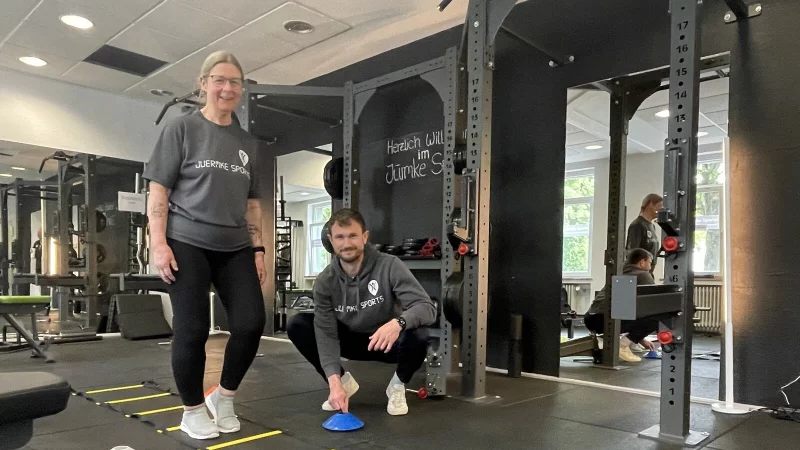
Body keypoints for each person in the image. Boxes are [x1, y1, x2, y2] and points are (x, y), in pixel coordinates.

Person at [142, 51, 267, 441]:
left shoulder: (248, 143)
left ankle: (224, 398)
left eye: (235, 82)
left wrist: (259, 250)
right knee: (193, 329)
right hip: (187, 241)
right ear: (204, 83)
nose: (227, 88)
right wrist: (158, 243)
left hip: (234, 246)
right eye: (220, 80)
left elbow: (252, 204)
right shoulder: (182, 129)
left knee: (250, 323)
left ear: (241, 89)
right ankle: (192, 410)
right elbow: (158, 190)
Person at [287, 208, 437, 416]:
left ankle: (397, 385)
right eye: (340, 237)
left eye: (353, 236)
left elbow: (428, 308)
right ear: (331, 240)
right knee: (298, 324)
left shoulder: (390, 265)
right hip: (350, 340)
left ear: (365, 237)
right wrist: (333, 381)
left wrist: (398, 323)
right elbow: (326, 335)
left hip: (385, 342)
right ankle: (343, 384)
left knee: (419, 334)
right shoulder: (325, 281)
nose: (346, 243)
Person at [584, 248, 659, 363]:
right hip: (605, 320)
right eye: (650, 262)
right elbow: (651, 305)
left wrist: (640, 339)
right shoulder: (644, 275)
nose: (650, 265)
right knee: (659, 317)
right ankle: (622, 346)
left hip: (590, 320)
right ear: (642, 262)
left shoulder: (619, 272)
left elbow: (623, 308)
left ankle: (614, 342)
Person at [626, 193, 663, 275]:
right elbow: (632, 252)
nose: (661, 209)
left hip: (649, 272)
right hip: (639, 274)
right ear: (651, 205)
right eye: (660, 206)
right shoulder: (637, 225)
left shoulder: (652, 226)